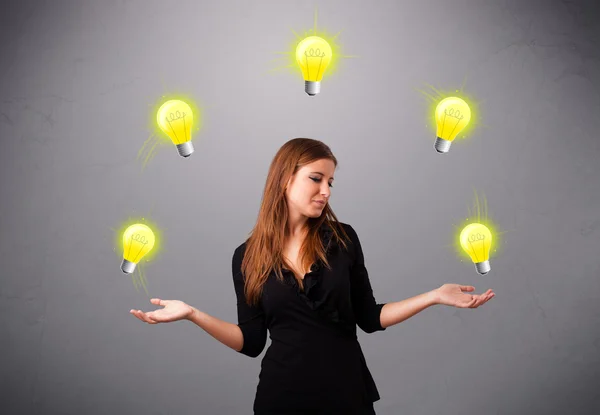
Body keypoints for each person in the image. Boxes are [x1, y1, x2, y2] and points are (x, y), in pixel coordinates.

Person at [130, 138, 495, 414]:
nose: (326, 191)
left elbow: (369, 318)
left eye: (331, 182)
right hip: (282, 397)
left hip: (347, 394)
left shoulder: (343, 238)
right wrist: (193, 314)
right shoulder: (246, 257)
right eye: (316, 178)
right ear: (285, 179)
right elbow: (251, 341)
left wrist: (433, 296)